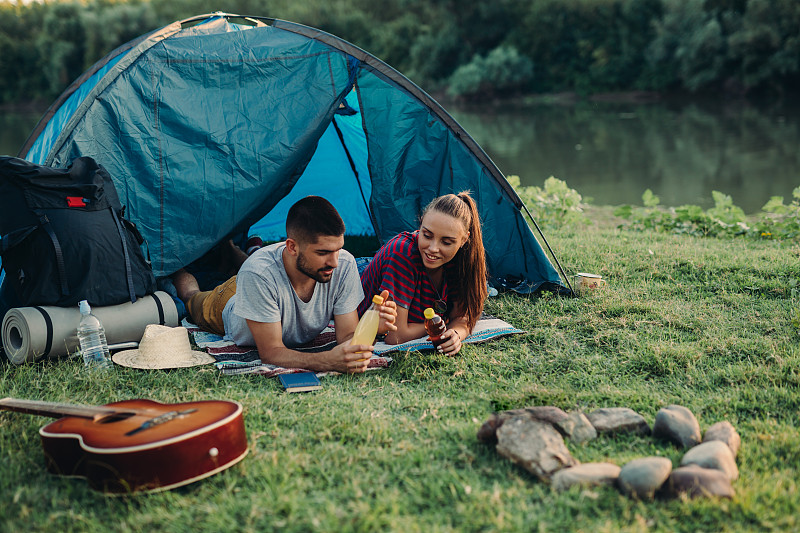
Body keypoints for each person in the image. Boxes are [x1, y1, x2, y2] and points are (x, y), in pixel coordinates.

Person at [173, 196, 397, 374]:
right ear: (292, 247)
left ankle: (232, 249)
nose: (335, 262)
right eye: (323, 252)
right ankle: (173, 266)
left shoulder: (343, 264)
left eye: (338, 249)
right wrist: (325, 361)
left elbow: (347, 337)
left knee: (254, 266)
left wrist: (372, 328)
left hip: (265, 279)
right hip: (230, 299)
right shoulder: (258, 273)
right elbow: (271, 353)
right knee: (192, 297)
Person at [358, 191, 487, 355]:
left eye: (446, 242)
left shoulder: (460, 260)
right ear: (420, 225)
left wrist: (456, 334)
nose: (433, 248)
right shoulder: (401, 255)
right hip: (361, 268)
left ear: (464, 240)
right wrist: (441, 323)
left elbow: (463, 316)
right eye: (426, 235)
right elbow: (395, 336)